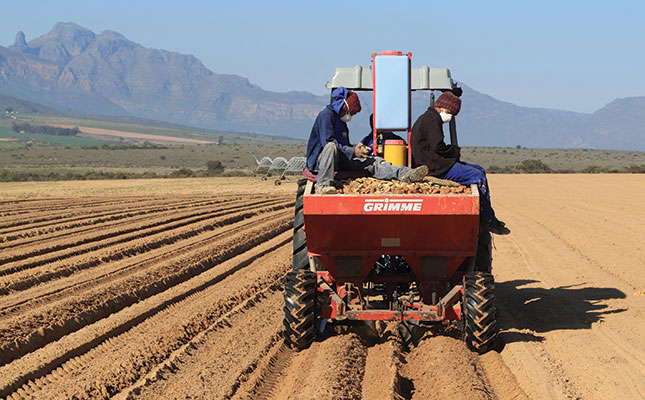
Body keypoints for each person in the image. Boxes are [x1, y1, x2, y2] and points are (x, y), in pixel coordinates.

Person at [410, 92, 510, 235]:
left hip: (434, 162)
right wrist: (454, 151)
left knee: (479, 169)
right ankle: (487, 219)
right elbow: (438, 146)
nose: (450, 117)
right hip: (436, 166)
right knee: (478, 176)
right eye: (451, 112)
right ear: (443, 107)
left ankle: (487, 215)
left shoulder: (428, 118)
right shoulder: (432, 120)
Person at [306, 87, 428, 194]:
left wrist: (356, 149)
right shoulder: (326, 116)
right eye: (351, 113)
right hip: (322, 161)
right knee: (330, 146)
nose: (350, 116)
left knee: (373, 162)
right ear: (344, 107)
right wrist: (353, 151)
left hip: (341, 157)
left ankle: (405, 173)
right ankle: (323, 185)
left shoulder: (340, 121)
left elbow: (344, 146)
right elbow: (328, 143)